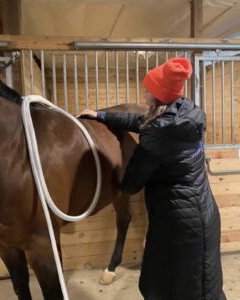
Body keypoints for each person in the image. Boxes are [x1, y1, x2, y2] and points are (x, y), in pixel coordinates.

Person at [77, 58, 226, 300]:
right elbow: (141, 122)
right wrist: (101, 116)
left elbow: (132, 183)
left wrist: (109, 177)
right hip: (203, 214)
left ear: (159, 96)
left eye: (149, 90)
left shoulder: (157, 136)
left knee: (178, 288)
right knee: (203, 281)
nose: (145, 94)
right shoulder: (187, 113)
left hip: (178, 224)